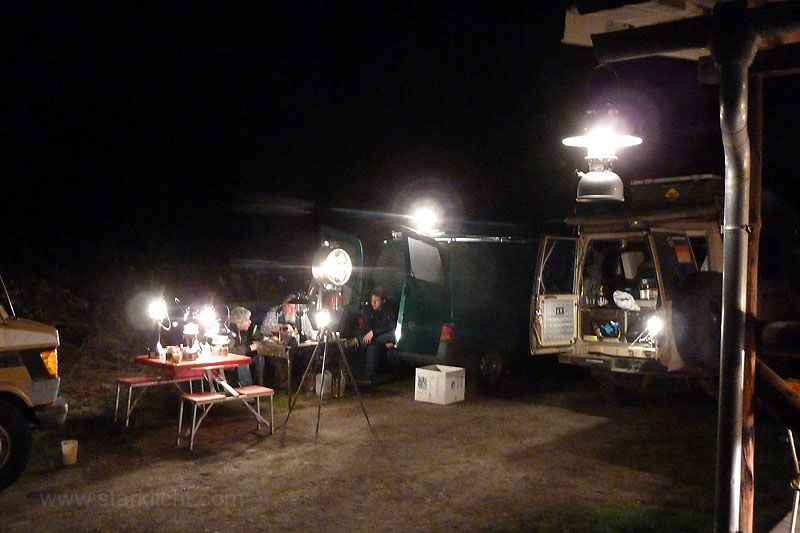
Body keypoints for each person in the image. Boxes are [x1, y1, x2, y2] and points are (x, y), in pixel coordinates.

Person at [358, 288, 396, 380]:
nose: (374, 303)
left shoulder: (389, 309)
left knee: (392, 335)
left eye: (377, 300)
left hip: (382, 335)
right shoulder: (368, 309)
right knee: (371, 347)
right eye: (372, 300)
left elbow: (391, 326)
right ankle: (369, 378)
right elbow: (366, 326)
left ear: (383, 301)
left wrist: (374, 332)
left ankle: (368, 377)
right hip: (373, 337)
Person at [228, 306, 264, 386]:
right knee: (243, 363)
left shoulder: (242, 332)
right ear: (239, 321)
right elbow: (230, 351)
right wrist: (250, 347)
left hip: (238, 359)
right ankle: (247, 387)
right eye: (247, 319)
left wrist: (252, 343)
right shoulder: (230, 333)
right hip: (229, 363)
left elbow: (242, 345)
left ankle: (259, 385)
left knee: (258, 358)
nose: (250, 322)